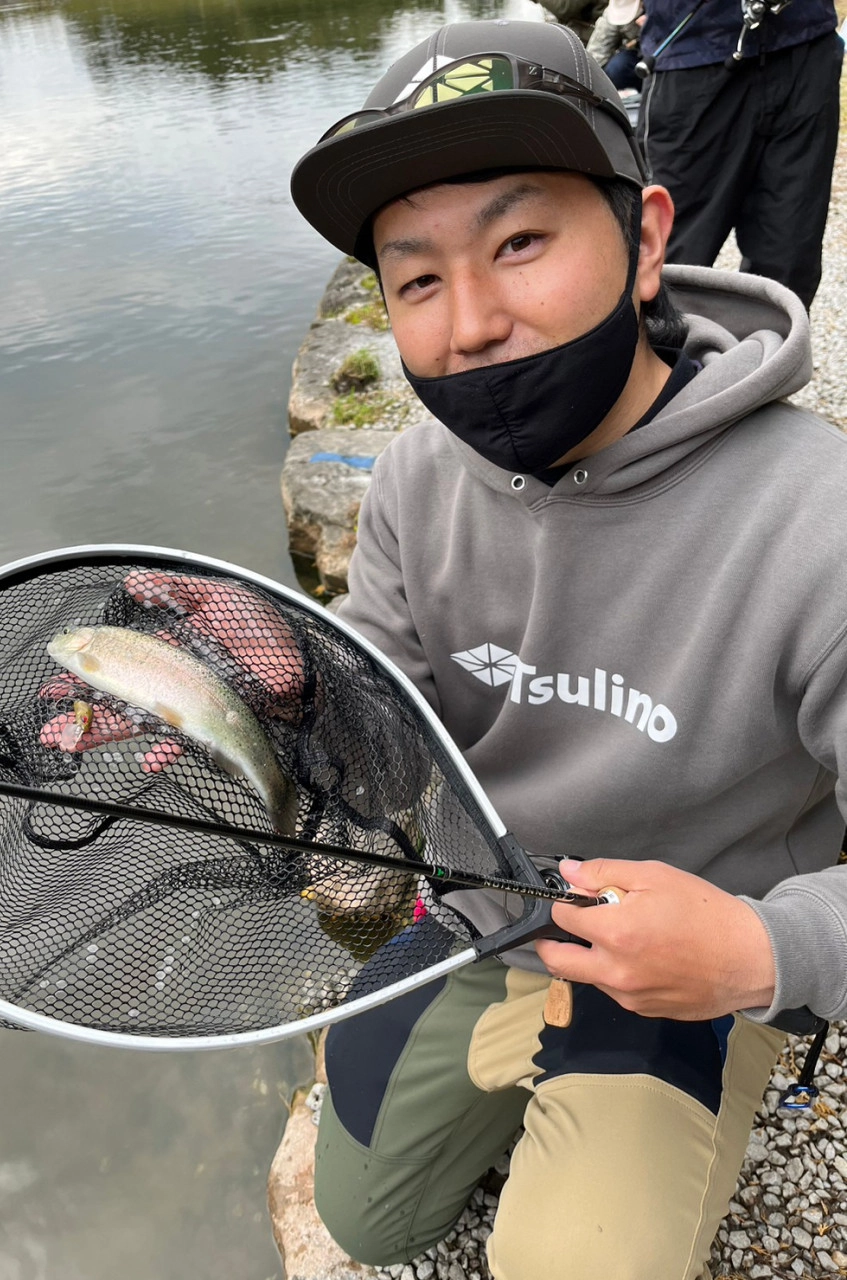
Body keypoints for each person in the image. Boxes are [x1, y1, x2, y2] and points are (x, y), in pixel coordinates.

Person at [287, 18, 847, 1280]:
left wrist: (763, 952)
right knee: (368, 1216)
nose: (472, 323)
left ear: (645, 237)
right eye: (416, 280)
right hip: (488, 913)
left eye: (519, 243)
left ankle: (695, 1068)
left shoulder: (815, 519)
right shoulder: (415, 479)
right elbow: (381, 730)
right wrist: (285, 685)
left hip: (685, 961)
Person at [636, 0, 842, 309]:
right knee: (667, 266)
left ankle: (774, 342)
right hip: (694, 53)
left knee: (788, 268)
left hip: (805, 43)